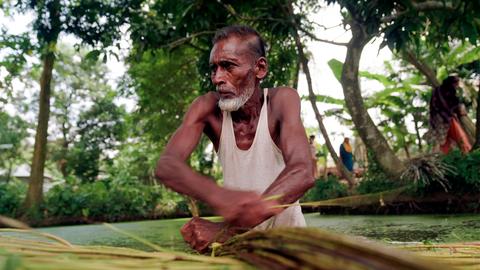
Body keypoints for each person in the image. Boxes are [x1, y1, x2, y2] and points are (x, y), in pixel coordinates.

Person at [155, 25, 315, 252]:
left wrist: (228, 230)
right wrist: (220, 196)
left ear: (259, 68)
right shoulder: (207, 108)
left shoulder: (281, 101)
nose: (217, 78)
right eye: (214, 68)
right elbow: (167, 165)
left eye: (228, 66)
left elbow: (303, 171)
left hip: (292, 247)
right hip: (241, 251)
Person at [425, 76, 472, 154]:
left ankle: (447, 155)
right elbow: (450, 104)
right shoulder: (448, 91)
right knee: (459, 137)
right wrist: (459, 108)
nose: (457, 86)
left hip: (437, 118)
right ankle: (465, 152)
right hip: (444, 118)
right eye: (456, 84)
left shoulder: (437, 90)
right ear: (452, 83)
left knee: (443, 140)